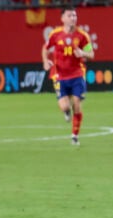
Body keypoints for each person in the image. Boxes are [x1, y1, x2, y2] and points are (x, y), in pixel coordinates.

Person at [41, 6, 94, 146]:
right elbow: (45, 49)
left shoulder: (82, 36)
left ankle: (74, 136)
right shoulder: (55, 34)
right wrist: (46, 61)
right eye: (70, 16)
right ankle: (66, 111)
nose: (73, 18)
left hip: (77, 74)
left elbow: (91, 54)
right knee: (65, 106)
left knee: (77, 104)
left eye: (75, 16)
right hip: (59, 75)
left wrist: (83, 54)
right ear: (63, 18)